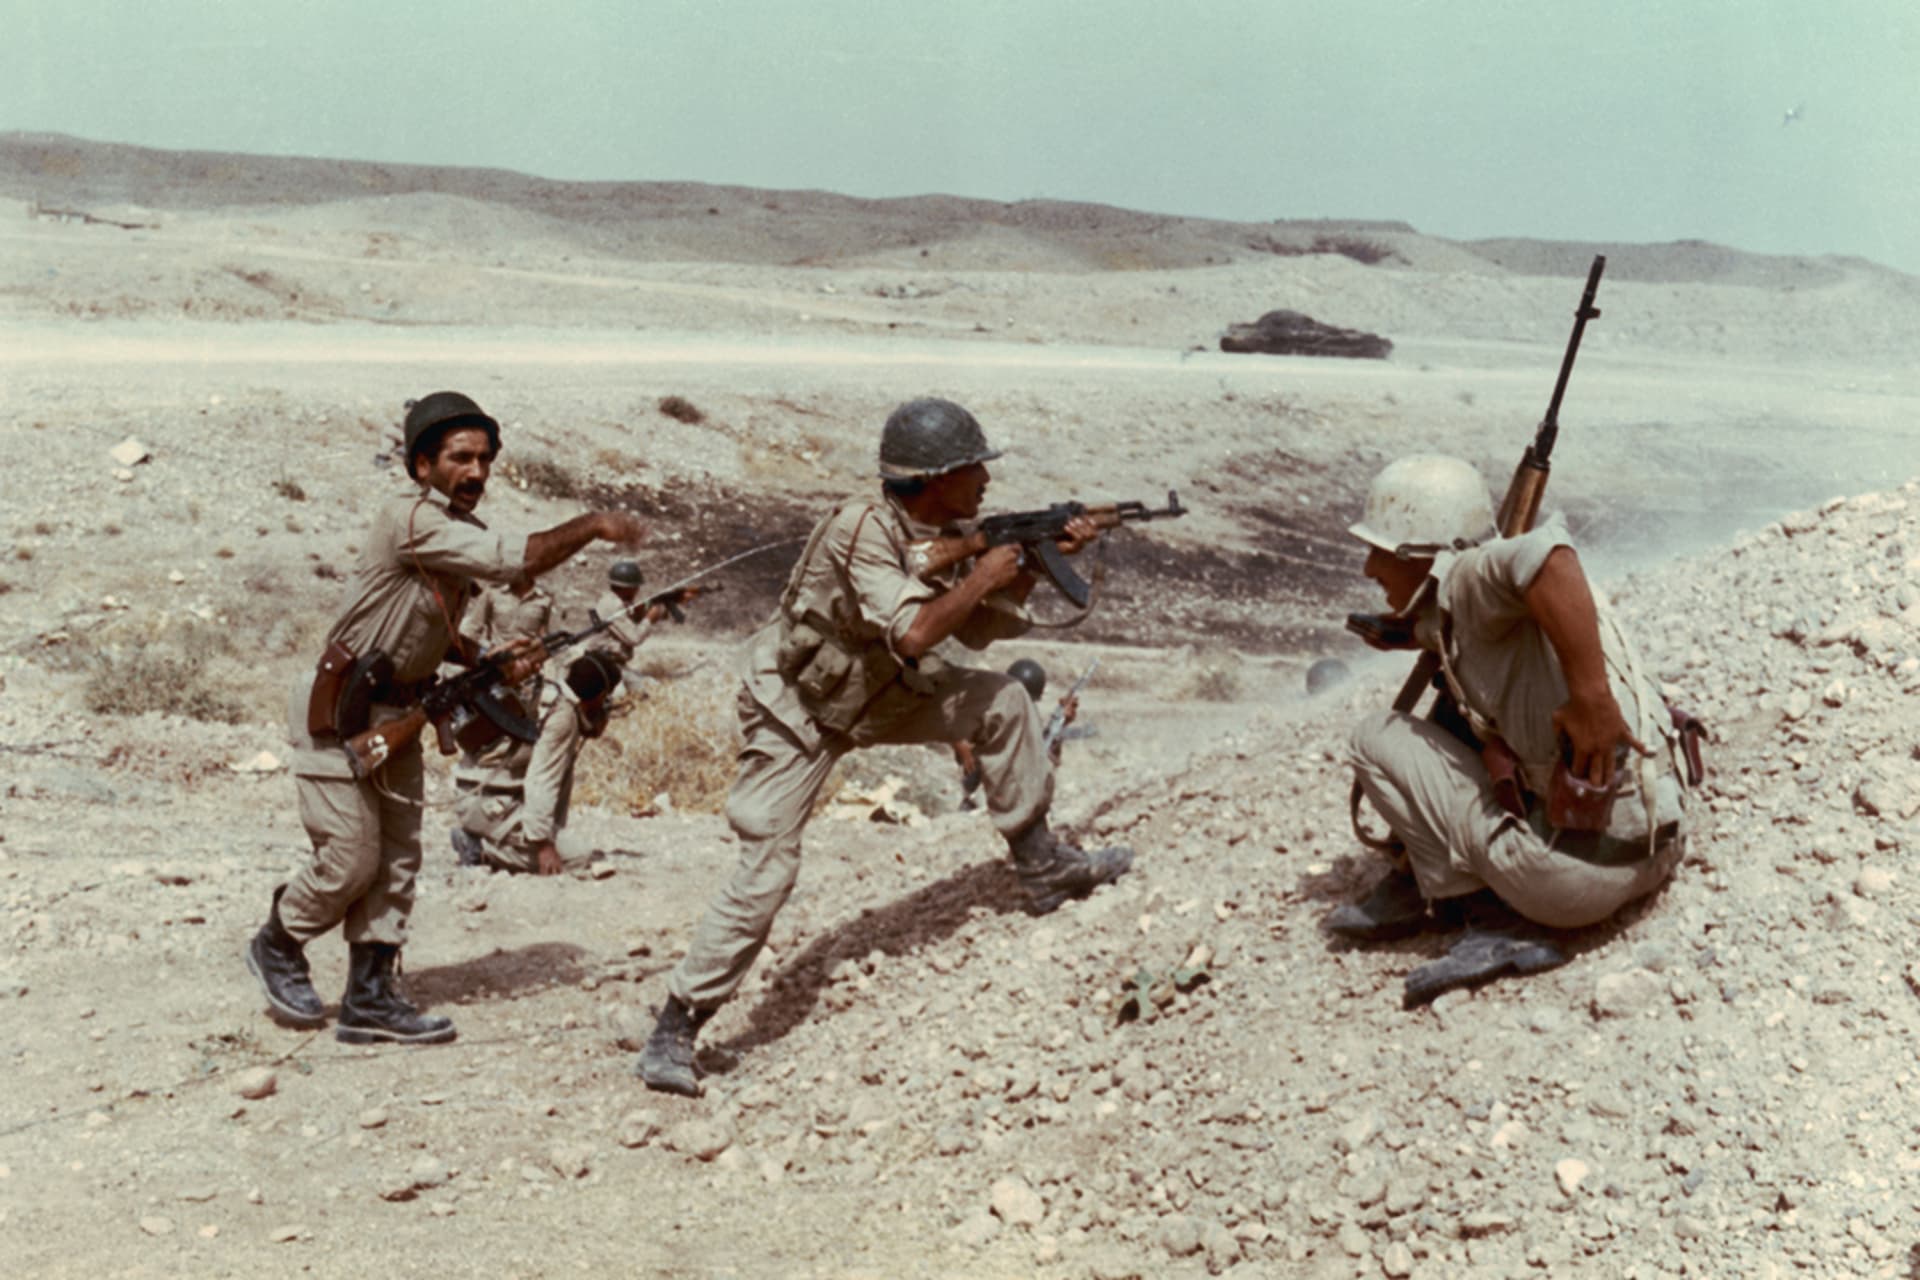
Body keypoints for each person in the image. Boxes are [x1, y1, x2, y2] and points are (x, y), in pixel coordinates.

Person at [635, 397, 1135, 1095]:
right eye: (975, 469)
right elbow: (914, 633)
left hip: (884, 690)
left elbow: (980, 631)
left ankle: (1040, 861)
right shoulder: (860, 528)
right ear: (935, 477)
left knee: (1006, 702)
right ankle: (676, 1028)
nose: (987, 482)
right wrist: (989, 568)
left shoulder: (954, 528)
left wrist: (1031, 567)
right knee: (768, 864)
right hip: (800, 709)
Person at [245, 391, 646, 1045]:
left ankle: (370, 998)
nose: (478, 473)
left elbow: (429, 630)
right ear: (421, 464)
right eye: (461, 457)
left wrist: (487, 657)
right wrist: (595, 523)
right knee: (350, 860)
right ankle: (278, 942)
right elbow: (518, 558)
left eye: (485, 459)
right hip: (343, 710)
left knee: (398, 859)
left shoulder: (453, 536)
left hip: (400, 708)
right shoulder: (410, 518)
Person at [1328, 454, 1694, 1005]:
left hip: (1571, 887)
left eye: (1379, 550)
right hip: (1655, 846)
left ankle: (1488, 912)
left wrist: (1591, 699)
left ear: (1420, 553)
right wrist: (1411, 633)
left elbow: (1547, 556)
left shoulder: (1475, 577)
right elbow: (1475, 620)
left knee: (1375, 737)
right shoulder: (1509, 604)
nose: (1368, 569)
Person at [451, 652, 622, 875]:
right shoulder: (563, 717)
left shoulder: (549, 693)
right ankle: (481, 848)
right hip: (489, 804)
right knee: (579, 857)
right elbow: (542, 779)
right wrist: (543, 844)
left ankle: (496, 837)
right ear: (599, 695)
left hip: (476, 795)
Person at [954, 658, 1078, 806]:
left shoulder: (1029, 718)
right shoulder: (992, 715)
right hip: (984, 794)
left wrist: (1060, 724)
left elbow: (1043, 755)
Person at [591, 558, 668, 678]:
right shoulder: (614, 605)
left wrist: (639, 615)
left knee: (646, 686)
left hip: (613, 663)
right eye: (636, 586)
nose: (638, 590)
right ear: (629, 588)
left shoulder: (611, 600)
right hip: (605, 664)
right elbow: (634, 638)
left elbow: (624, 627)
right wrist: (649, 619)